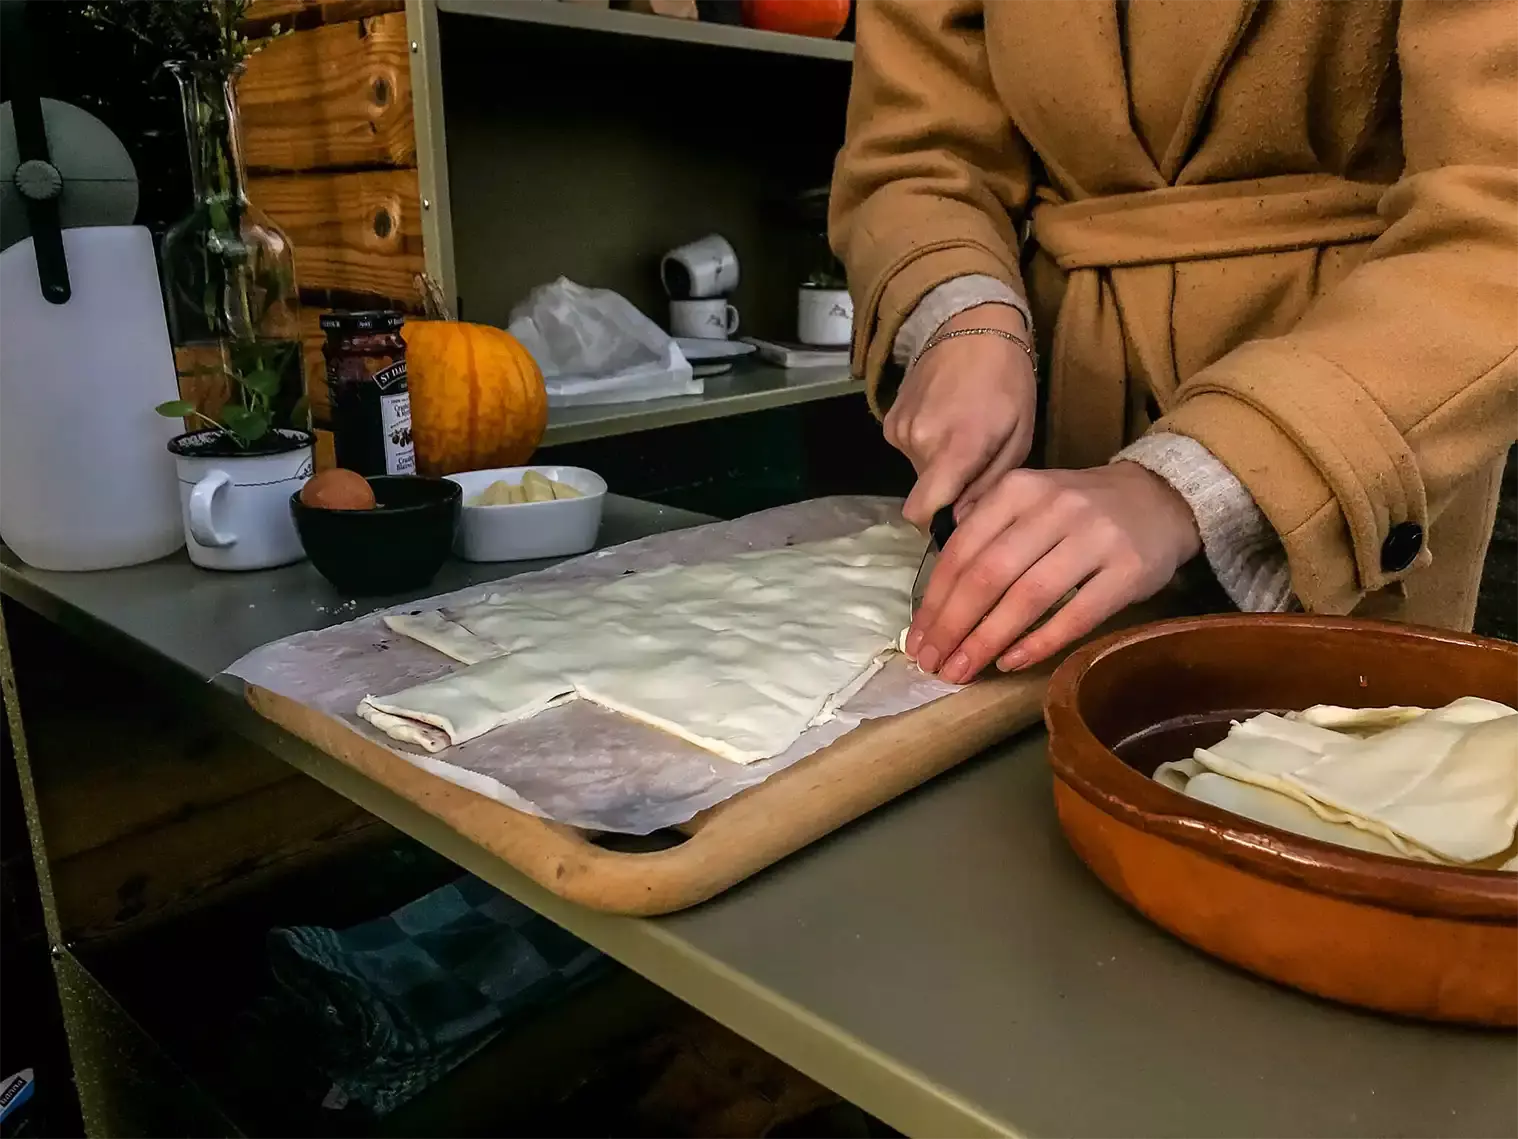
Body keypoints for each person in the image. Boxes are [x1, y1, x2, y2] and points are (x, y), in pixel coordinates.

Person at [829, 0, 1518, 687]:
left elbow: (1496, 213)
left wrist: (1194, 483)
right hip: (1065, 404)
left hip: (1369, 409)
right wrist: (964, 312)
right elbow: (917, 148)